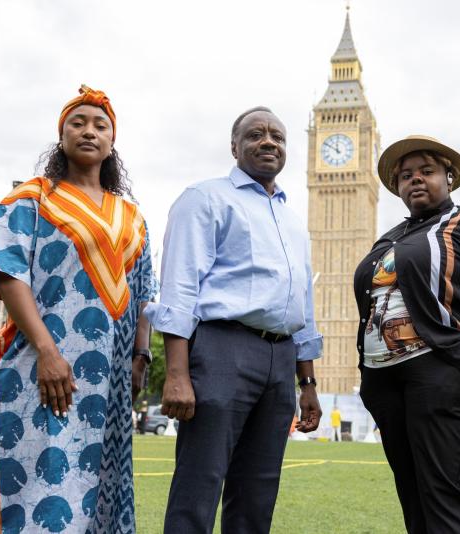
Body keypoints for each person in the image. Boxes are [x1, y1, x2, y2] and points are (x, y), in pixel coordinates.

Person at [0, 85, 156, 533]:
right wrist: (48, 352)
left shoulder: (132, 216)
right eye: (78, 123)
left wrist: (140, 356)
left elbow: (144, 291)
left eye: (100, 125)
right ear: (62, 136)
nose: (89, 131)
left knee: (105, 482)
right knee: (48, 486)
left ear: (112, 141)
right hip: (49, 365)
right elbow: (9, 272)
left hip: (110, 375)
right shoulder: (34, 198)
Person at [146, 106, 323, 533]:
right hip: (222, 348)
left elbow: (304, 305)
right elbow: (180, 288)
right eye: (256, 134)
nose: (269, 142)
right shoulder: (205, 198)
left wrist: (308, 383)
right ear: (234, 146)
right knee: (199, 481)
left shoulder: (293, 222)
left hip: (281, 360)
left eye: (278, 137)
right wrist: (177, 374)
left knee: (258, 490)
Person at [353, 135, 460, 534]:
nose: (415, 180)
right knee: (413, 494)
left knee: (445, 496)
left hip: (440, 375)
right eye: (405, 176)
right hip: (385, 380)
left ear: (448, 178)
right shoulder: (391, 238)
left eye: (427, 172)